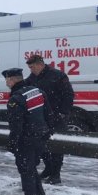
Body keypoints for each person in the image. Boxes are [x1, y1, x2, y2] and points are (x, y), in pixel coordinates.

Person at [3, 68, 51, 195]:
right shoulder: (38, 91)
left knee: (26, 170)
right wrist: (47, 132)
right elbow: (48, 114)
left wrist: (12, 143)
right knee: (31, 167)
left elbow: (16, 126)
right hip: (40, 137)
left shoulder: (16, 99)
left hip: (26, 139)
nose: (6, 82)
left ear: (12, 80)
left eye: (7, 80)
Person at [24, 54, 75, 185]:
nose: (31, 70)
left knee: (57, 146)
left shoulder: (58, 76)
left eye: (33, 67)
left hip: (57, 117)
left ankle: (56, 174)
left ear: (41, 64)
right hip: (41, 117)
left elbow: (68, 95)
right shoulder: (31, 79)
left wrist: (63, 113)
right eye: (30, 68)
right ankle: (48, 168)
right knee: (42, 145)